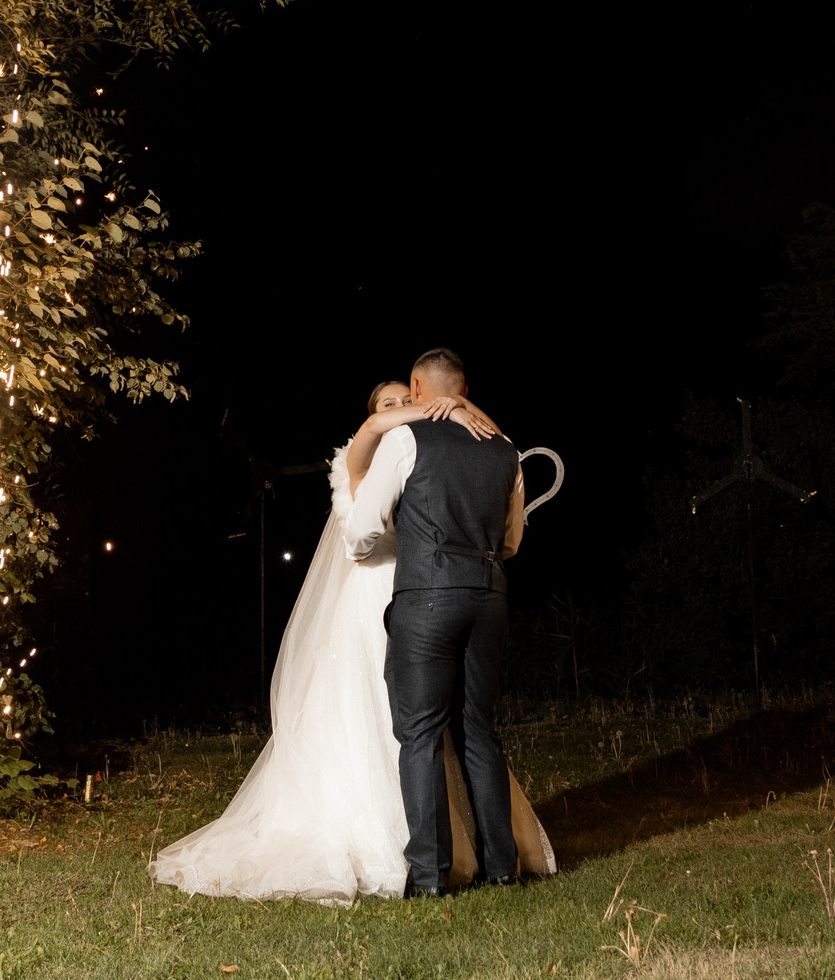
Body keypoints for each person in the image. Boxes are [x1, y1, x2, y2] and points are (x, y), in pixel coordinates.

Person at [148, 374, 552, 904]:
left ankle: (445, 855)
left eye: (409, 399)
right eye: (391, 403)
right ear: (376, 412)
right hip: (378, 595)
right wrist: (444, 405)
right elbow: (362, 535)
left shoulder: (427, 453)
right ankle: (418, 851)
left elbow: (493, 453)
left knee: (440, 726)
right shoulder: (367, 453)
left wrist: (451, 407)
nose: (404, 408)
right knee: (396, 720)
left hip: (423, 593)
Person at [343, 347, 527, 895]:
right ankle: (502, 868)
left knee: (420, 734)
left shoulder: (405, 439)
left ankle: (429, 876)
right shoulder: (506, 450)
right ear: (464, 392)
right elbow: (512, 541)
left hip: (426, 596)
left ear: (418, 390)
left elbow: (362, 530)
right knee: (478, 731)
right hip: (489, 595)